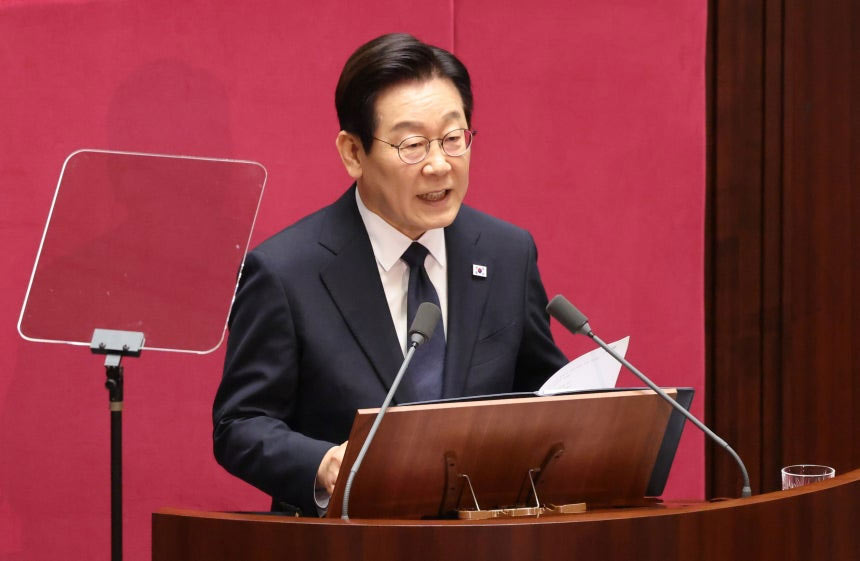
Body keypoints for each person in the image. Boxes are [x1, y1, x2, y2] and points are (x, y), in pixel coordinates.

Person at [212, 32, 568, 516]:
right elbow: (240, 423)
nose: (439, 165)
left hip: (483, 538)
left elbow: (546, 393)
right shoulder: (285, 271)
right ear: (353, 153)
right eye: (412, 145)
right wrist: (323, 463)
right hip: (346, 539)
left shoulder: (507, 253)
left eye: (453, 139)